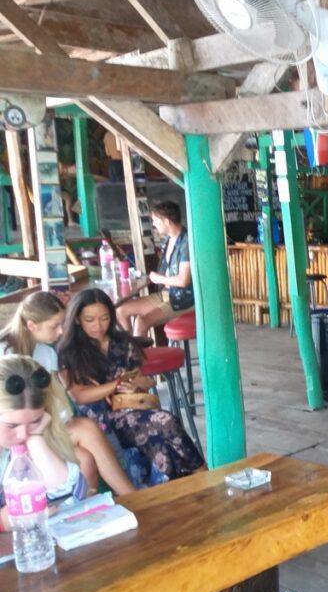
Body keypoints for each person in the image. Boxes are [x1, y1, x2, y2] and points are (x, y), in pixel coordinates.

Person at [0, 355, 82, 592]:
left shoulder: (29, 440)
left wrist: (35, 439)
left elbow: (64, 488)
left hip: (21, 551)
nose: (23, 432)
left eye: (34, 421)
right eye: (12, 425)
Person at [59, 289, 204, 481]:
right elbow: (80, 395)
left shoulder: (122, 343)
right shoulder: (69, 351)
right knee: (164, 422)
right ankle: (200, 474)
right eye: (90, 319)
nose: (98, 325)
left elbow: (145, 382)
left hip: (130, 409)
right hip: (99, 421)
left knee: (163, 430)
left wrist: (136, 384)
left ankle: (181, 482)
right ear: (77, 319)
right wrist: (117, 384)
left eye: (104, 318)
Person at [0, 292, 136, 496]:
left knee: (86, 443)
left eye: (63, 324)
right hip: (21, 434)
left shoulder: (46, 353)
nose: (61, 331)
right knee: (85, 448)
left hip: (44, 424)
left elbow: (56, 400)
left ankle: (126, 498)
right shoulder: (5, 354)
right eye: (54, 326)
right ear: (31, 325)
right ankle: (130, 497)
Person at [116, 201, 193, 337]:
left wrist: (158, 278)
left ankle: (137, 357)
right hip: (165, 294)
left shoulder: (186, 242)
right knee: (121, 310)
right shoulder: (168, 240)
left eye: (156, 220)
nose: (153, 224)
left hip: (182, 299)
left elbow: (183, 281)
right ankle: (128, 350)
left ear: (167, 221)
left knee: (141, 322)